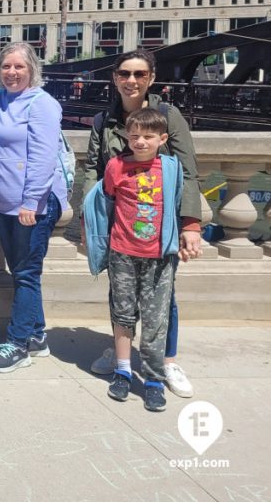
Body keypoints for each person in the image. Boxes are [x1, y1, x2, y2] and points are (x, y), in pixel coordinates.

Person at [83, 48, 203, 398]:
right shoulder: (104, 119)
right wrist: (91, 218)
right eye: (124, 73)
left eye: (139, 74)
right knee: (120, 296)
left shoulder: (168, 116)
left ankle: (166, 361)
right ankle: (123, 359)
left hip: (160, 228)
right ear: (115, 77)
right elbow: (93, 167)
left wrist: (191, 224)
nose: (131, 80)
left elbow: (188, 172)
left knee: (164, 299)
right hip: (121, 227)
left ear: (150, 78)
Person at [82, 107, 187, 412]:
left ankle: (153, 380)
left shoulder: (170, 167)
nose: (140, 142)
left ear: (162, 138)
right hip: (123, 252)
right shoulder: (115, 167)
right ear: (126, 136)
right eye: (135, 135)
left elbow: (178, 203)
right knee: (123, 313)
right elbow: (106, 203)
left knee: (156, 320)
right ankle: (123, 370)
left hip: (159, 256)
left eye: (148, 136)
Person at [0, 42, 67, 372]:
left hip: (34, 204)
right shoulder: (0, 99)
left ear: (32, 69)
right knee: (21, 272)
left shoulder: (43, 104)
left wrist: (31, 201)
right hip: (4, 200)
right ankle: (37, 334)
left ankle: (17, 345)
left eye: (19, 67)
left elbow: (44, 157)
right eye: (6, 67)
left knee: (27, 273)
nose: (12, 73)